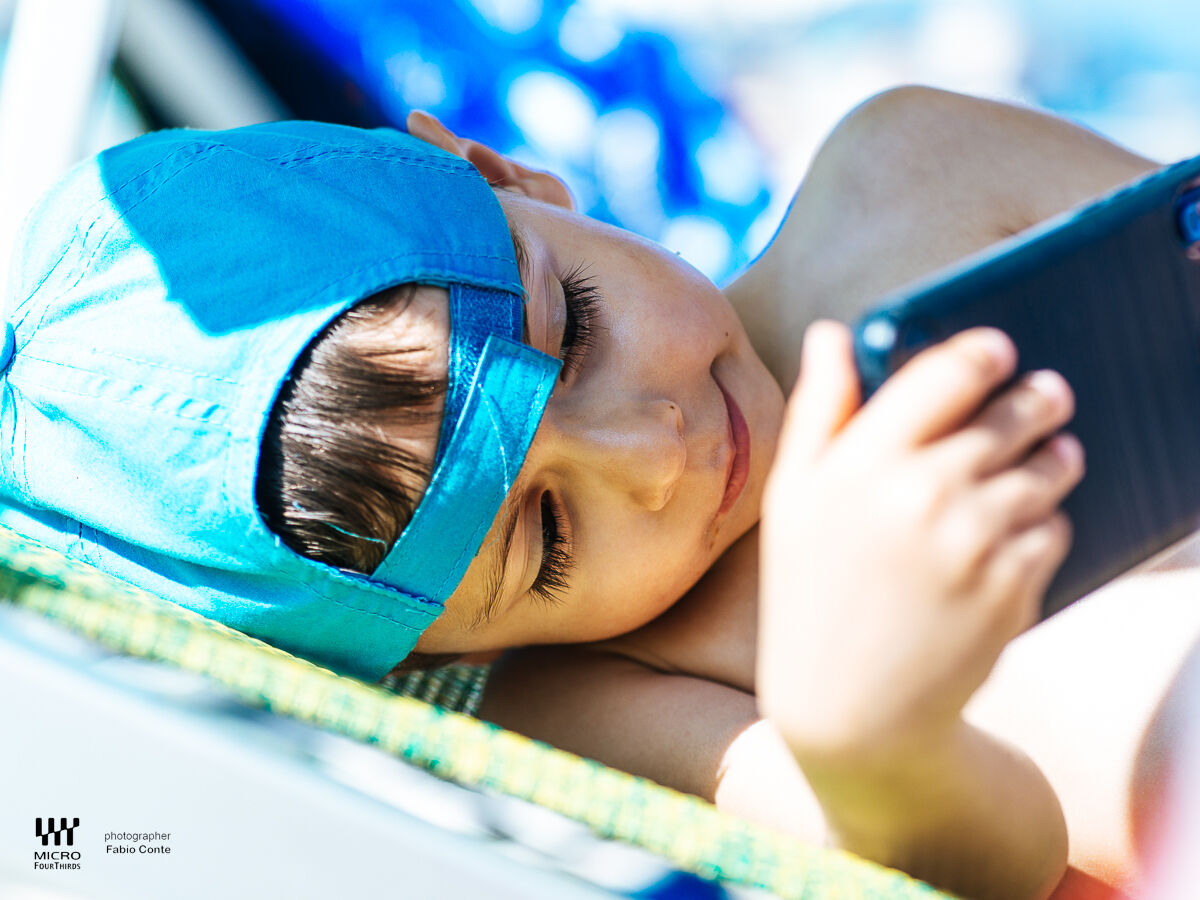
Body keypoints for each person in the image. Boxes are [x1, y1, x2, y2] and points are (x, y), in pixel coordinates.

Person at [5, 86, 1196, 899]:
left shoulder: (910, 176)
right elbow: (998, 859)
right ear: (437, 656)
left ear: (506, 172)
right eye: (550, 533)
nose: (655, 450)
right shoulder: (590, 687)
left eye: (572, 327)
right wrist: (865, 729)